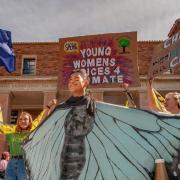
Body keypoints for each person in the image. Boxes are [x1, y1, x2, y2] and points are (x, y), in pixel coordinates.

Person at [0, 99, 57, 180]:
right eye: (20, 119)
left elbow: (41, 118)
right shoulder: (12, 130)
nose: (23, 121)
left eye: (26, 119)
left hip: (24, 163)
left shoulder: (32, 130)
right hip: (11, 163)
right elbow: (1, 126)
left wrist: (49, 106)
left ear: (30, 121)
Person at [147, 79, 180, 179]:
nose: (165, 102)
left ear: (177, 101)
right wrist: (149, 86)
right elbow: (152, 105)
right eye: (164, 99)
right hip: (170, 156)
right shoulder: (166, 116)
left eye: (168, 99)